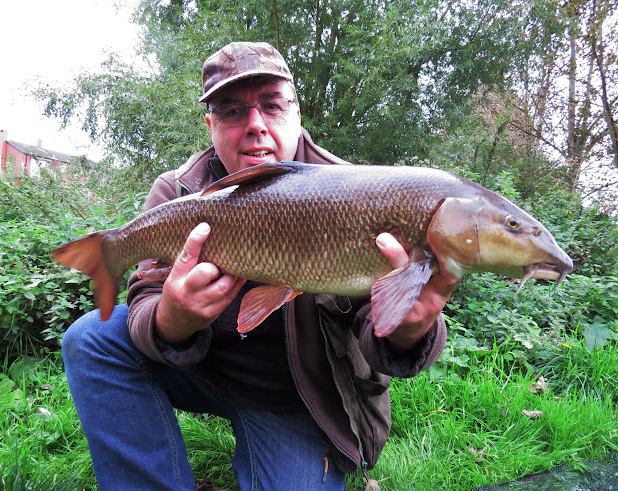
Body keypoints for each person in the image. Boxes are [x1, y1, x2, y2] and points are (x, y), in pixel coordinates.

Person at [62, 41, 459, 490]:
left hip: (298, 398)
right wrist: (172, 318)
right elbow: (145, 297)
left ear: (296, 113)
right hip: (203, 367)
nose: (255, 126)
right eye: (233, 112)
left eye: (271, 105)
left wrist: (410, 328)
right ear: (211, 126)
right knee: (92, 337)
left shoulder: (359, 194)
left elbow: (377, 333)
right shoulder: (180, 192)